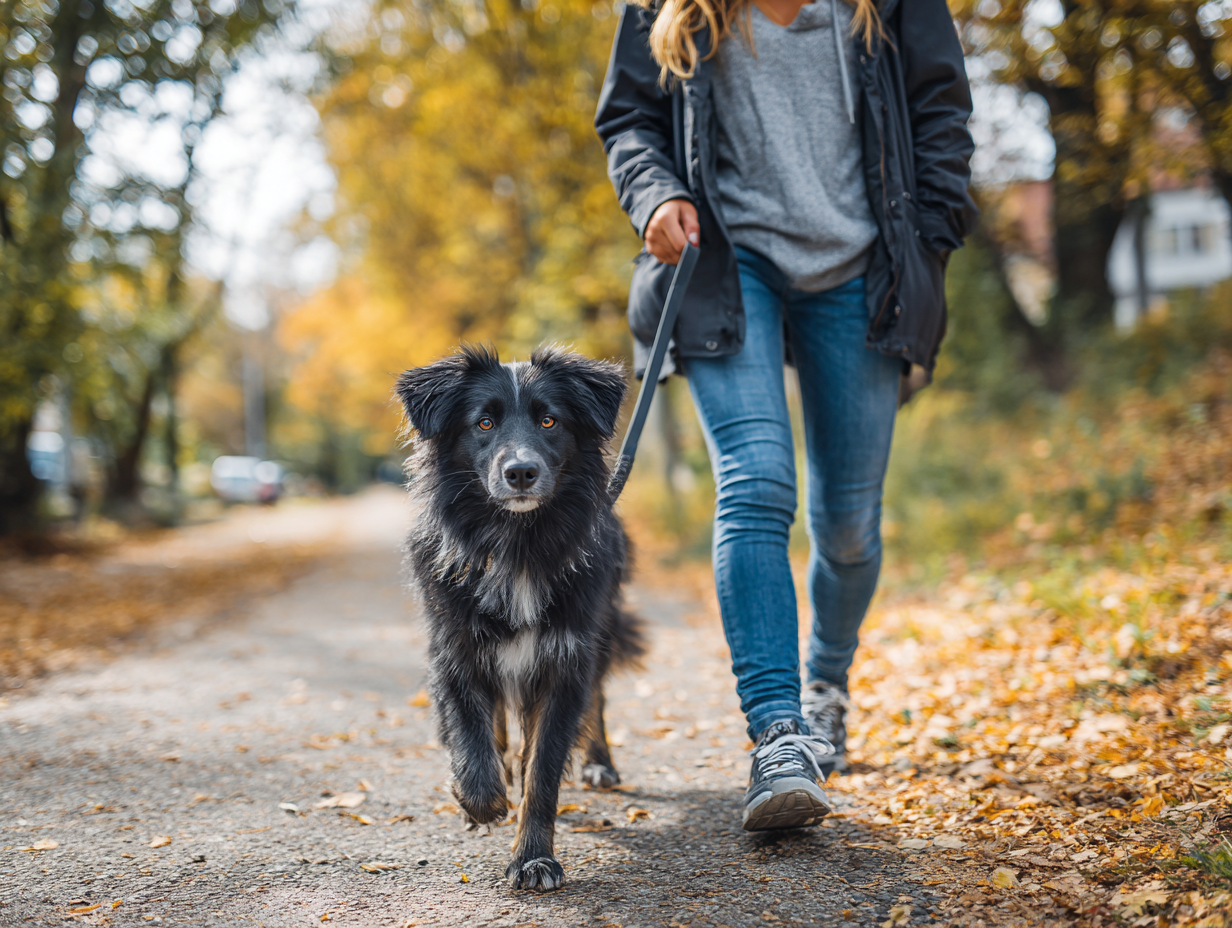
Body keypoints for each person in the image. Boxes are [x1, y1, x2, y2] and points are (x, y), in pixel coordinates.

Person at [595, 0, 977, 830]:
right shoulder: (669, 9)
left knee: (848, 525)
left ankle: (826, 683)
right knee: (757, 481)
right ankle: (778, 734)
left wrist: (932, 239)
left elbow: (941, 109)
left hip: (862, 268)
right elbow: (629, 117)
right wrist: (655, 194)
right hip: (731, 266)